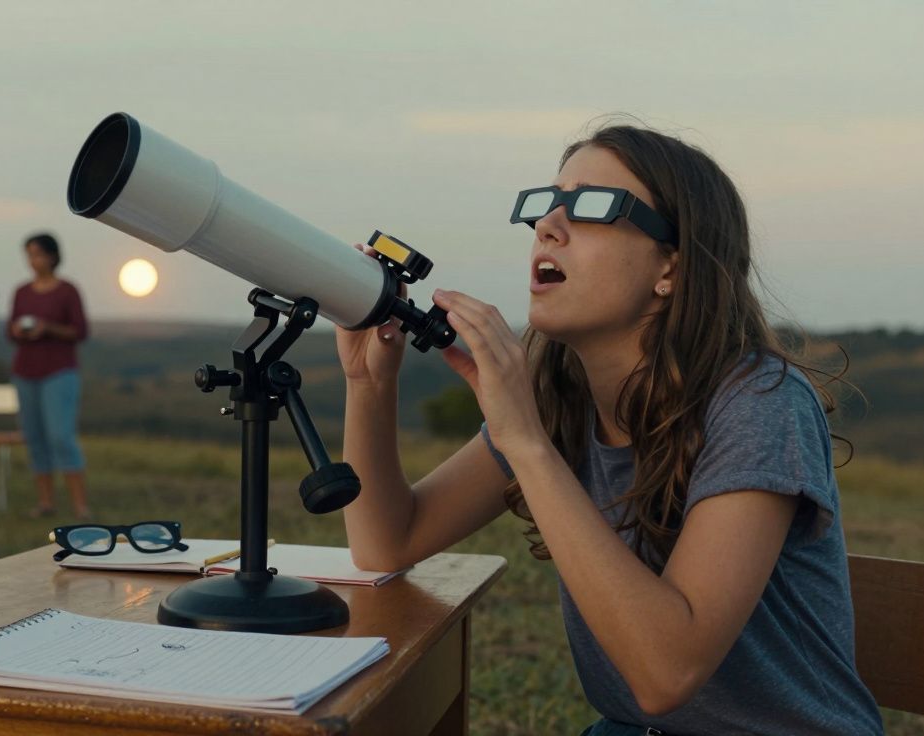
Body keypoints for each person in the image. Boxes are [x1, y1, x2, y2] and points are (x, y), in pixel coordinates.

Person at [339, 125, 884, 735]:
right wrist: (369, 386)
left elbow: (666, 675)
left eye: (594, 206)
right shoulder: (559, 401)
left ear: (671, 268)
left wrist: (524, 441)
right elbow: (388, 541)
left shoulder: (760, 402)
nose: (548, 226)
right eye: (546, 205)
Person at [7, 233, 91, 519]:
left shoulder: (68, 291)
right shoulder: (22, 292)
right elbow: (9, 331)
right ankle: (46, 503)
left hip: (59, 372)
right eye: (30, 254)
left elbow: (80, 331)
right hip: (25, 371)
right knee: (35, 437)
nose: (34, 260)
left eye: (39, 254)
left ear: (53, 256)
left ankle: (80, 506)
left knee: (60, 436)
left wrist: (48, 328)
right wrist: (18, 330)